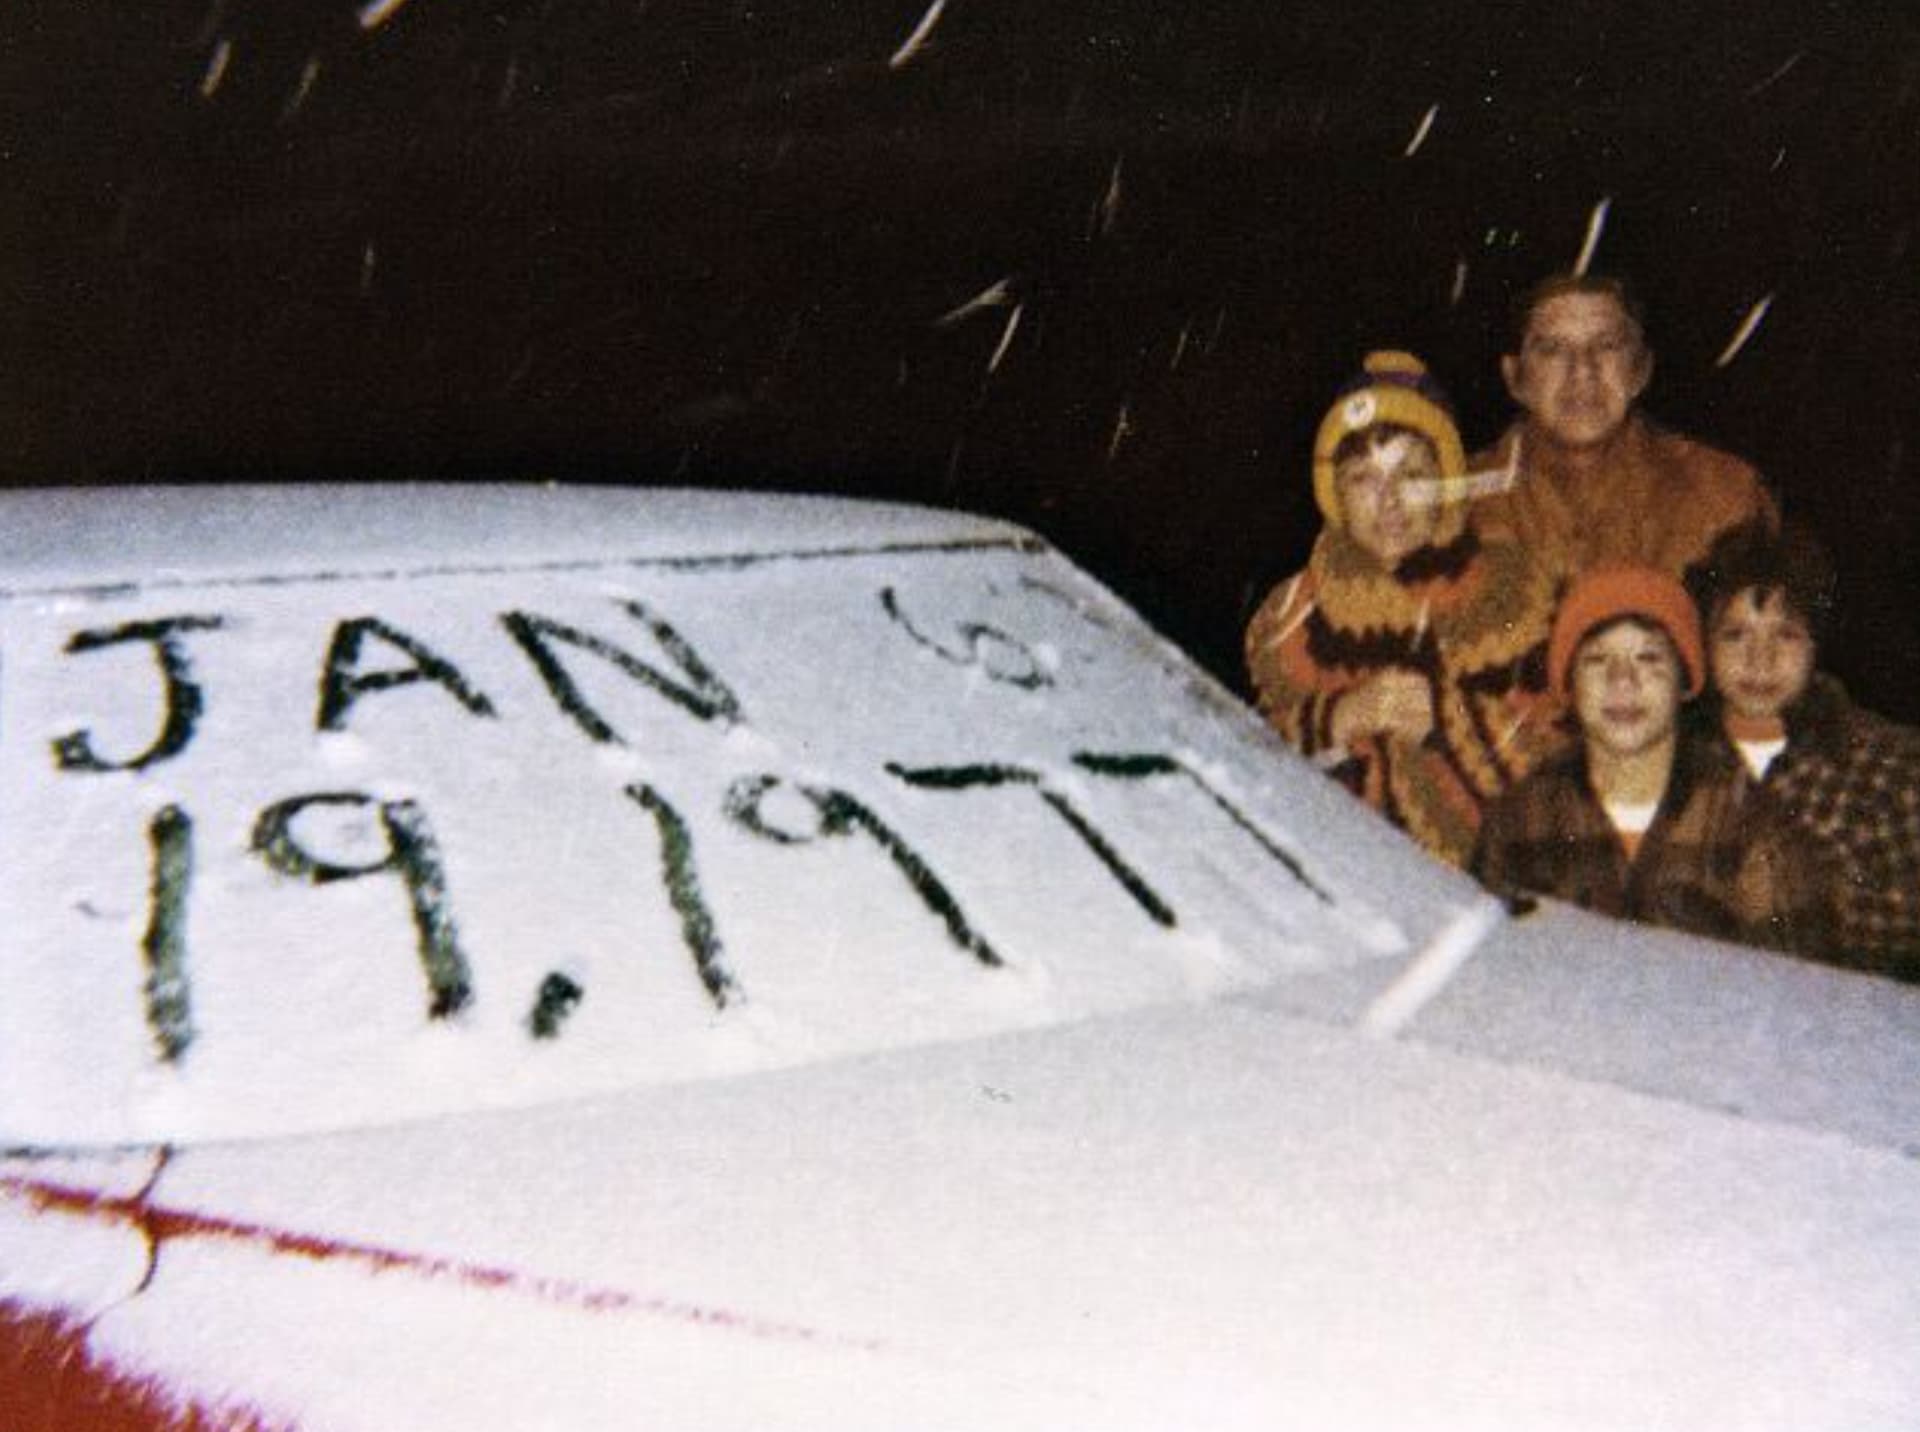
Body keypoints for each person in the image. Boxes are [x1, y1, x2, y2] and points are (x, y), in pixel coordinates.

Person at [1246, 351, 1559, 867]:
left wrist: (1449, 723)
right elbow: (1236, 760)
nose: (1388, 500)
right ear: (1336, 495)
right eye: (1363, 479)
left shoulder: (1516, 597)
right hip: (1335, 886)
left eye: (1410, 474)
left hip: (1492, 894)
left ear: (1445, 482)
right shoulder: (1291, 619)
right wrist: (1333, 720)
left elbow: (1566, 777)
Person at [1472, 564, 1828, 950]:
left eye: (1649, 659)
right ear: (1568, 686)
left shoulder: (1755, 828)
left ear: (1684, 681)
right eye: (1597, 660)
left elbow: (1802, 995)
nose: (1623, 680)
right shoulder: (1517, 822)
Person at [1689, 520, 1920, 980]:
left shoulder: (1890, 767)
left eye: (1786, 635)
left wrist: (1816, 897)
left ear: (1817, 643)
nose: (1760, 660)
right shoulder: (1676, 758)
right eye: (1736, 635)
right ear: (1704, 646)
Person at [1472, 273, 1778, 588]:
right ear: (1515, 378)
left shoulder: (1726, 496)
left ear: (1641, 369)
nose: (1582, 371)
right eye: (1553, 349)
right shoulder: (1459, 508)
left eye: (1606, 346)